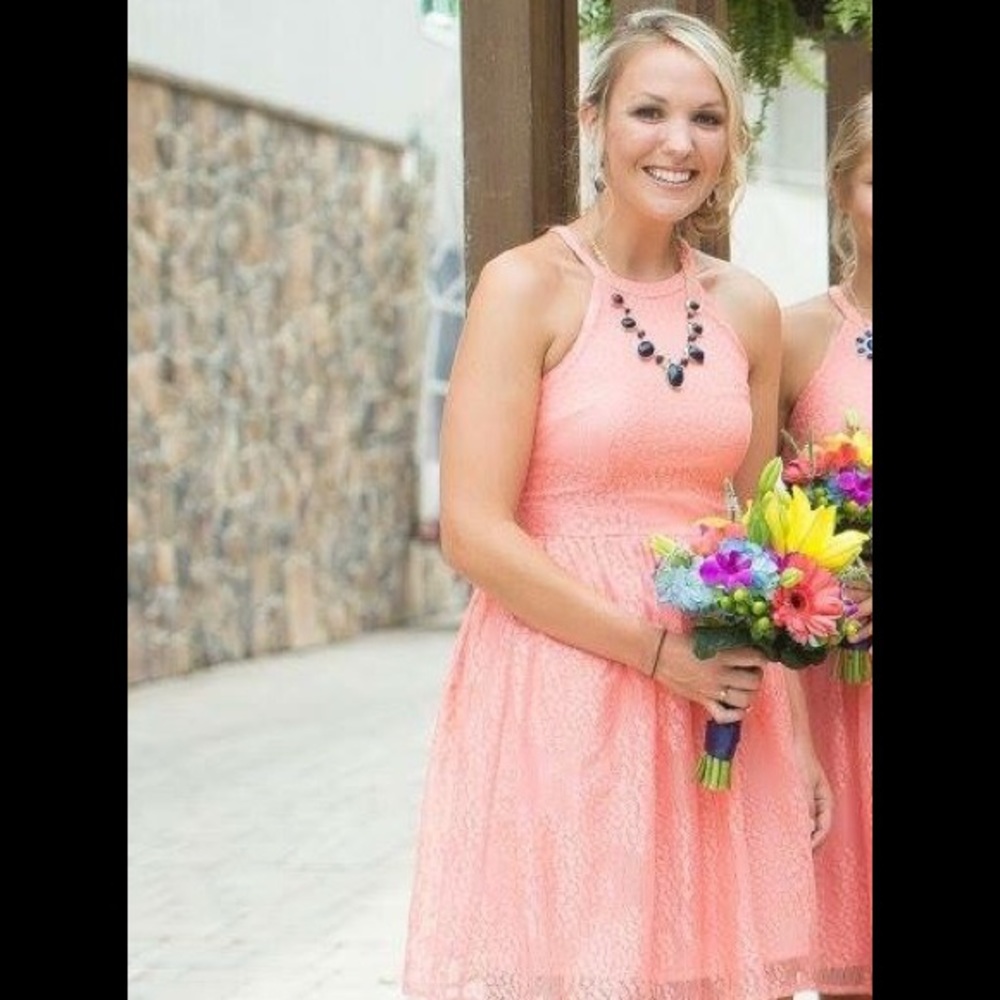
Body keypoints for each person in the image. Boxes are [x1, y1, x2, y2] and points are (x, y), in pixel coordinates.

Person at [403, 9, 830, 999]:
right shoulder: (526, 289)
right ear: (592, 120)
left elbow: (765, 540)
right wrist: (653, 656)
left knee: (712, 971)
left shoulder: (747, 308)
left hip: (719, 703)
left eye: (707, 118)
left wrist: (795, 734)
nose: (678, 143)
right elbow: (474, 528)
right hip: (564, 692)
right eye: (649, 111)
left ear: (733, 142)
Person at [779, 91, 873, 1000]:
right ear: (845, 189)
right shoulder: (800, 332)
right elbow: (754, 507)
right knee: (848, 948)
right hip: (841, 689)